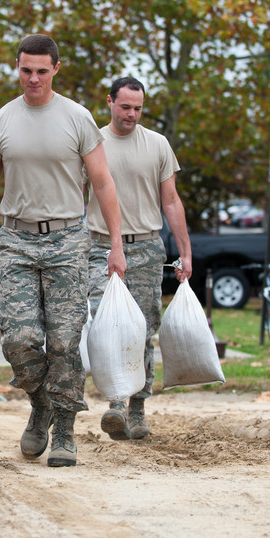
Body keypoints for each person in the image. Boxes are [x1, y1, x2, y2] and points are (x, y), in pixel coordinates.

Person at [0, 34, 126, 468]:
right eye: (26, 70)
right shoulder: (4, 119)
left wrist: (116, 246)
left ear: (55, 70)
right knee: (19, 338)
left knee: (65, 340)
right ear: (17, 67)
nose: (33, 78)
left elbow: (103, 183)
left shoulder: (77, 118)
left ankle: (64, 430)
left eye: (41, 71)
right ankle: (41, 401)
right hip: (16, 242)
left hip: (68, 240)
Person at [85, 76, 192, 440]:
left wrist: (185, 253)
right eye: (125, 107)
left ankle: (137, 408)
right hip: (99, 247)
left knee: (143, 329)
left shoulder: (158, 145)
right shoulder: (93, 144)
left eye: (138, 108)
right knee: (108, 322)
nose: (131, 114)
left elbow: (171, 201)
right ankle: (115, 401)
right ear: (110, 102)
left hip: (146, 246)